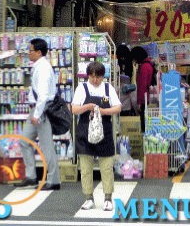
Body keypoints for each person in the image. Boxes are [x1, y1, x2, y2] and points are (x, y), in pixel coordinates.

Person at [71, 62, 121, 211]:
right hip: (84, 132)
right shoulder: (82, 88)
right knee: (86, 168)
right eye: (92, 77)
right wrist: (87, 107)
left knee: (106, 167)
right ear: (88, 76)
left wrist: (102, 111)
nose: (95, 80)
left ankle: (108, 198)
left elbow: (118, 107)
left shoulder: (108, 88)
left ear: (102, 76)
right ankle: (88, 198)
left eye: (98, 77)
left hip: (104, 132)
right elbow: (74, 109)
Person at [17, 39, 60, 190]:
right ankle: (31, 176)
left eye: (31, 50)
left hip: (41, 110)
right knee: (24, 141)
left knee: (46, 145)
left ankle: (53, 180)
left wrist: (37, 114)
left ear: (39, 52)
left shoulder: (43, 69)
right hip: (36, 109)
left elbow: (43, 95)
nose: (29, 53)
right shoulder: (38, 67)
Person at [131, 46, 155, 131]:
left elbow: (142, 86)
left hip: (145, 99)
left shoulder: (144, 67)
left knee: (144, 122)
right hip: (147, 97)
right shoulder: (148, 65)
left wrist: (139, 102)